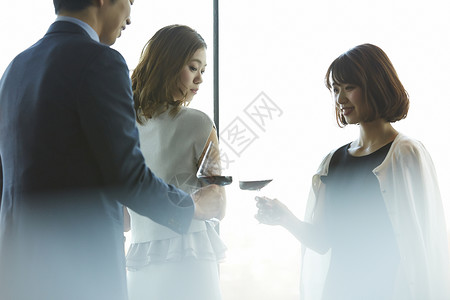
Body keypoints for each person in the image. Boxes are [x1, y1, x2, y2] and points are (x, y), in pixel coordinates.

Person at [0, 1, 221, 300]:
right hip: (82, 270)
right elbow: (126, 176)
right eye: (129, 1)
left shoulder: (15, 68)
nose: (129, 15)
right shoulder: (100, 61)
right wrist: (189, 207)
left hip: (17, 270)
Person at [255, 43, 450, 300]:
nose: (340, 99)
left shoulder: (405, 154)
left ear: (376, 85)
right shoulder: (332, 162)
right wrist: (285, 219)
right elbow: (323, 241)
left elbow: (426, 243)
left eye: (349, 88)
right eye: (335, 89)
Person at [124, 24, 227, 300]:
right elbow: (218, 204)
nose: (200, 79)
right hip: (173, 255)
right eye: (193, 68)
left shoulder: (124, 127)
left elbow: (218, 202)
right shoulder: (198, 124)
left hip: (161, 256)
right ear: (168, 65)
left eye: (203, 70)